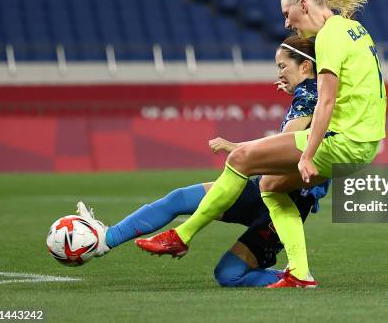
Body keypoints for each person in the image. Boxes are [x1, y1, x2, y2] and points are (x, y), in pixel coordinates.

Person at [135, 0, 387, 288]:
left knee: (239, 159)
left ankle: (180, 236)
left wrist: (307, 155)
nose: (286, 23)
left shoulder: (328, 38)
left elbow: (325, 102)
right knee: (270, 185)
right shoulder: (355, 30)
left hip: (342, 140)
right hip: (363, 144)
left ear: (304, 6)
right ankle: (299, 273)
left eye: (287, 13)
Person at [76, 36, 328, 287]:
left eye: (282, 66)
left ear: (305, 66)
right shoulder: (313, 93)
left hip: (287, 200)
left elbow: (284, 146)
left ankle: (104, 239)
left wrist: (237, 148)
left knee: (228, 274)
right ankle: (106, 238)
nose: (279, 73)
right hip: (264, 188)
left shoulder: (308, 94)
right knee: (182, 201)